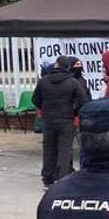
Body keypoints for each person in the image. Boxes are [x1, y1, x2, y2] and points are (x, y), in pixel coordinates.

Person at [33, 56, 90, 187]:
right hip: (66, 120)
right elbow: (84, 101)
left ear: (56, 65)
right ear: (68, 67)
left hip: (48, 120)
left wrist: (45, 108)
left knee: (49, 149)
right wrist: (74, 111)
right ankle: (62, 178)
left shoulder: (44, 81)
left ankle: (47, 178)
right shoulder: (73, 82)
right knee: (64, 149)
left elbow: (35, 99)